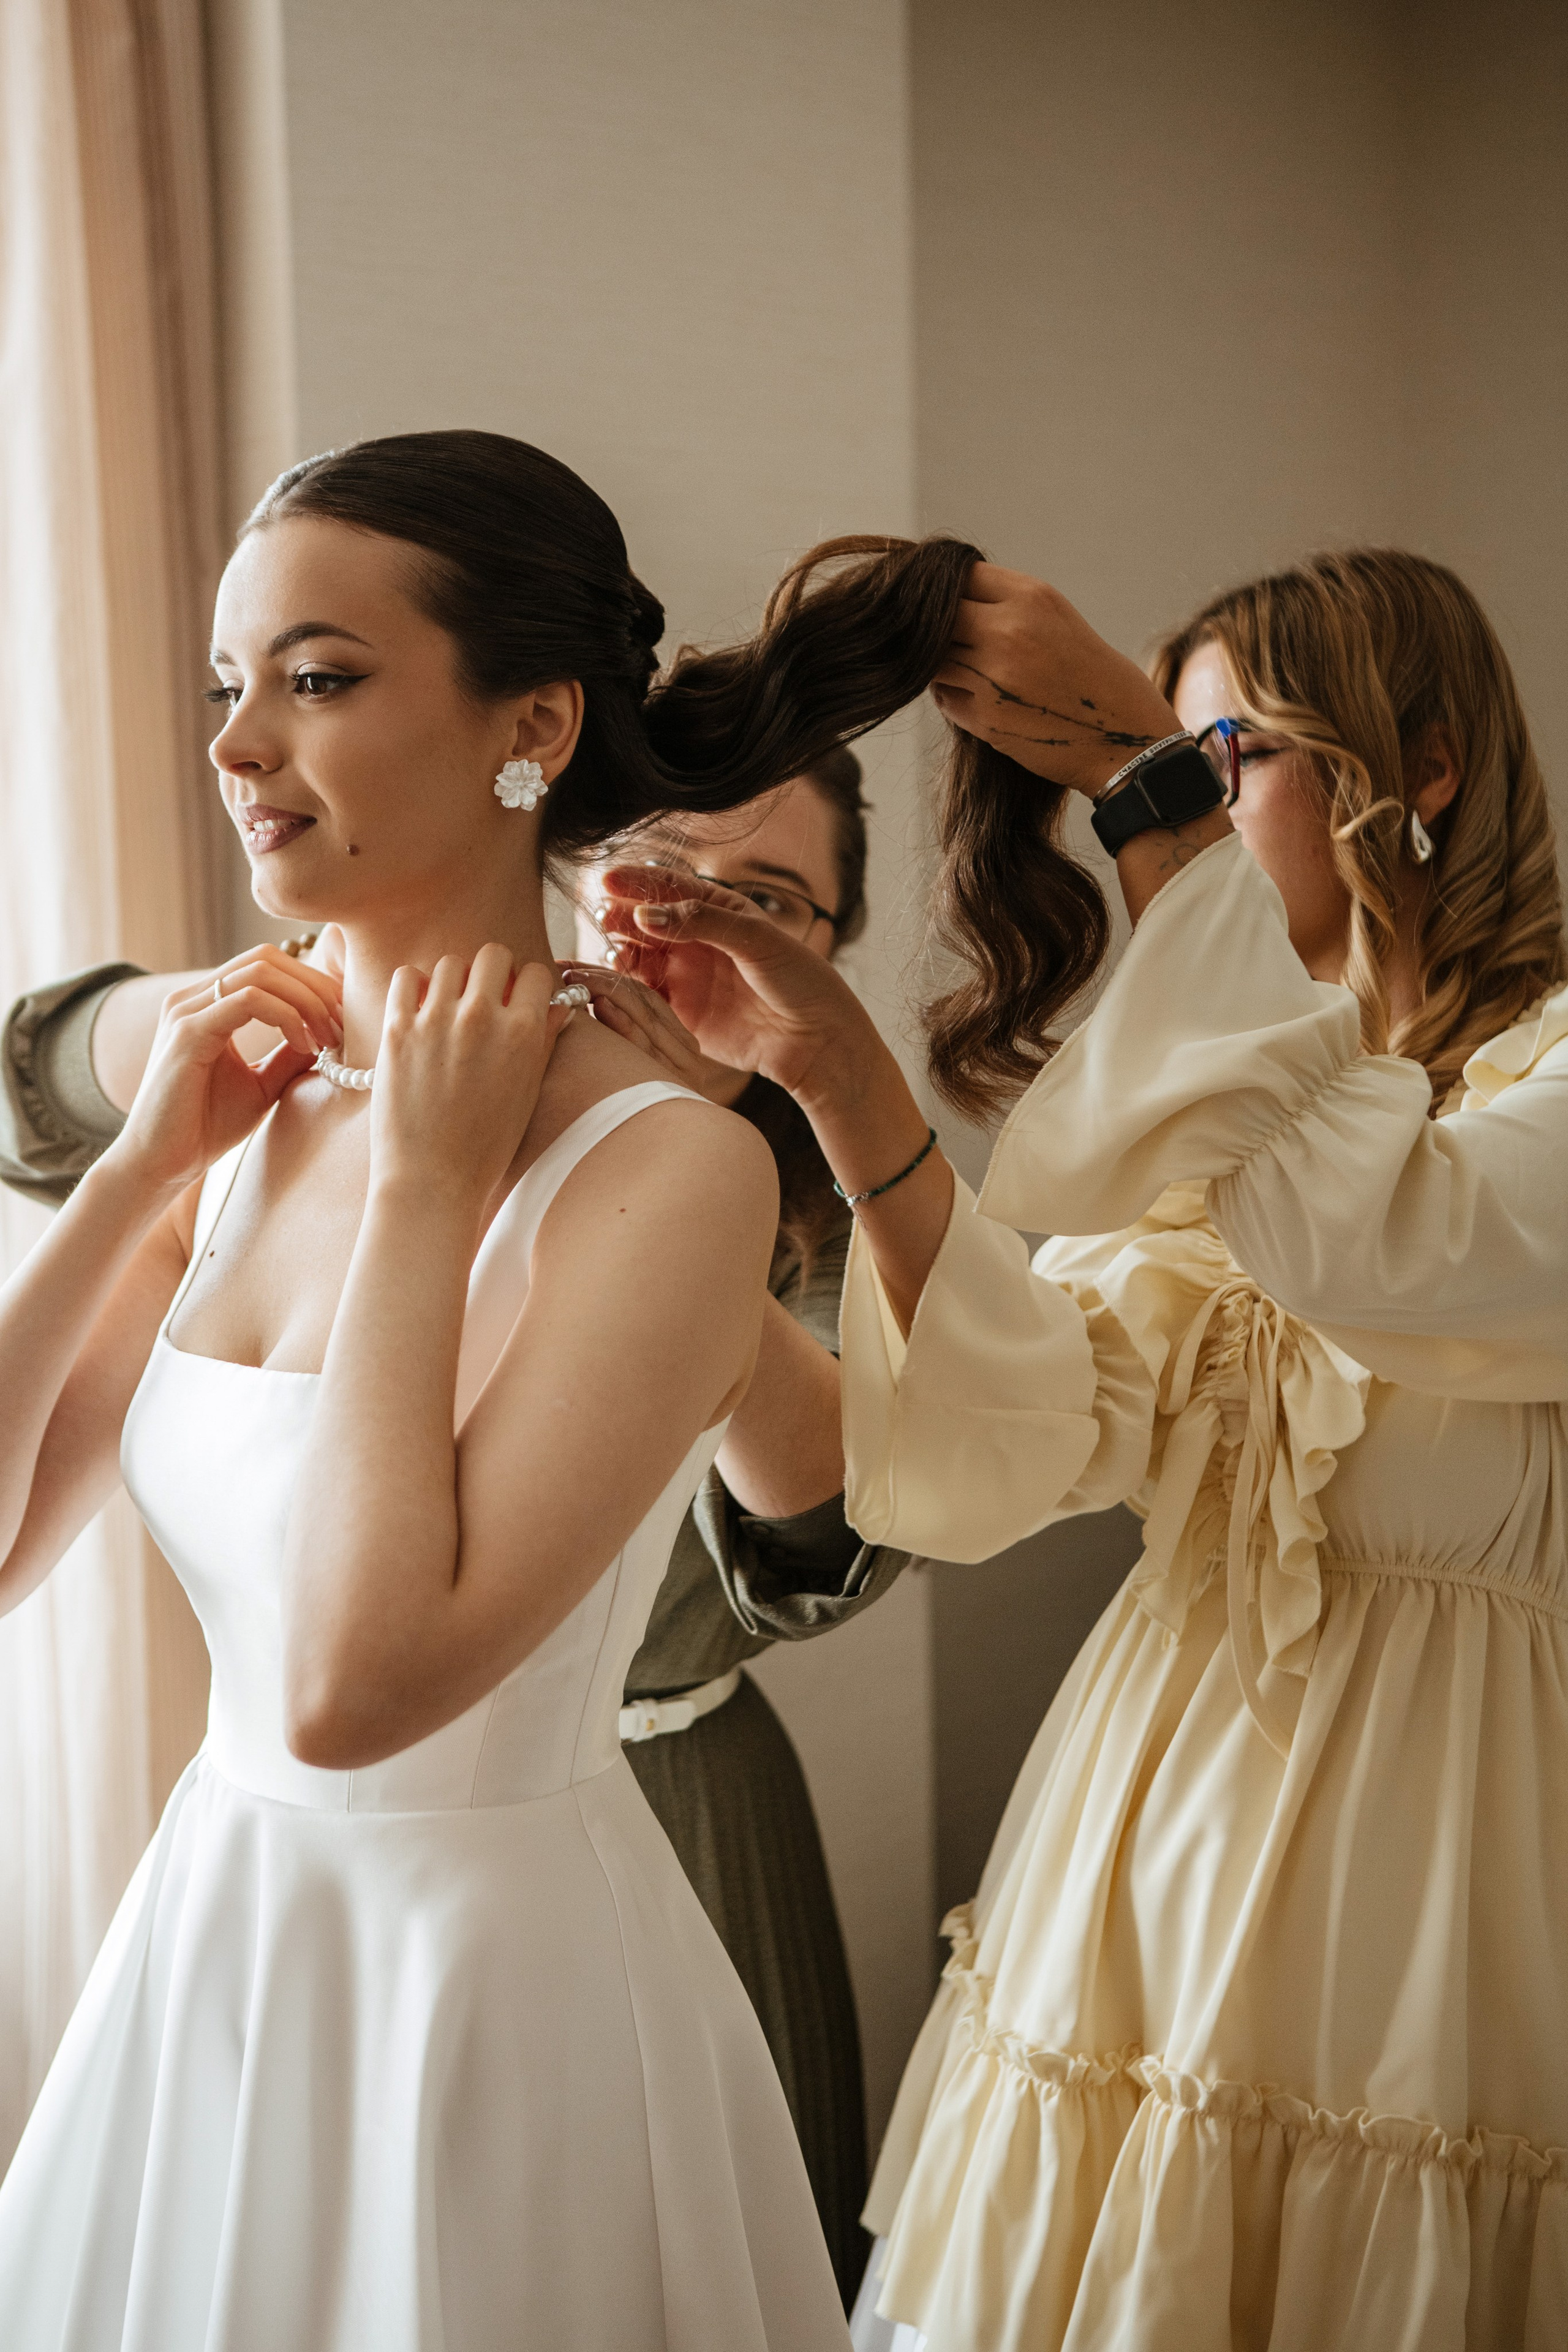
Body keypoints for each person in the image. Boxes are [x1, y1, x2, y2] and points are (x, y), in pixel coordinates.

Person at [597, 542, 1568, 2349]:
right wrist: (834, 1072)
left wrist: (1136, 780)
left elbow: (1382, 1240)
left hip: (1444, 1881)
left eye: (1232, 753)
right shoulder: (1232, 1114)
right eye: (1170, 757)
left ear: (1425, 765)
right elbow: (1012, 1444)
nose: (1188, 800)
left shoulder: (1519, 1094)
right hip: (1148, 1862)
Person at [0, 428, 913, 2350]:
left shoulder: (669, 1166)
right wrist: (136, 1172)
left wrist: (423, 1187)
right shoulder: (236, 1098)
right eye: (230, 688)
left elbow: (350, 1688)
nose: (242, 747)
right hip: (217, 1948)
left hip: (495, 2005)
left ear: (535, 725)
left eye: (318, 680)